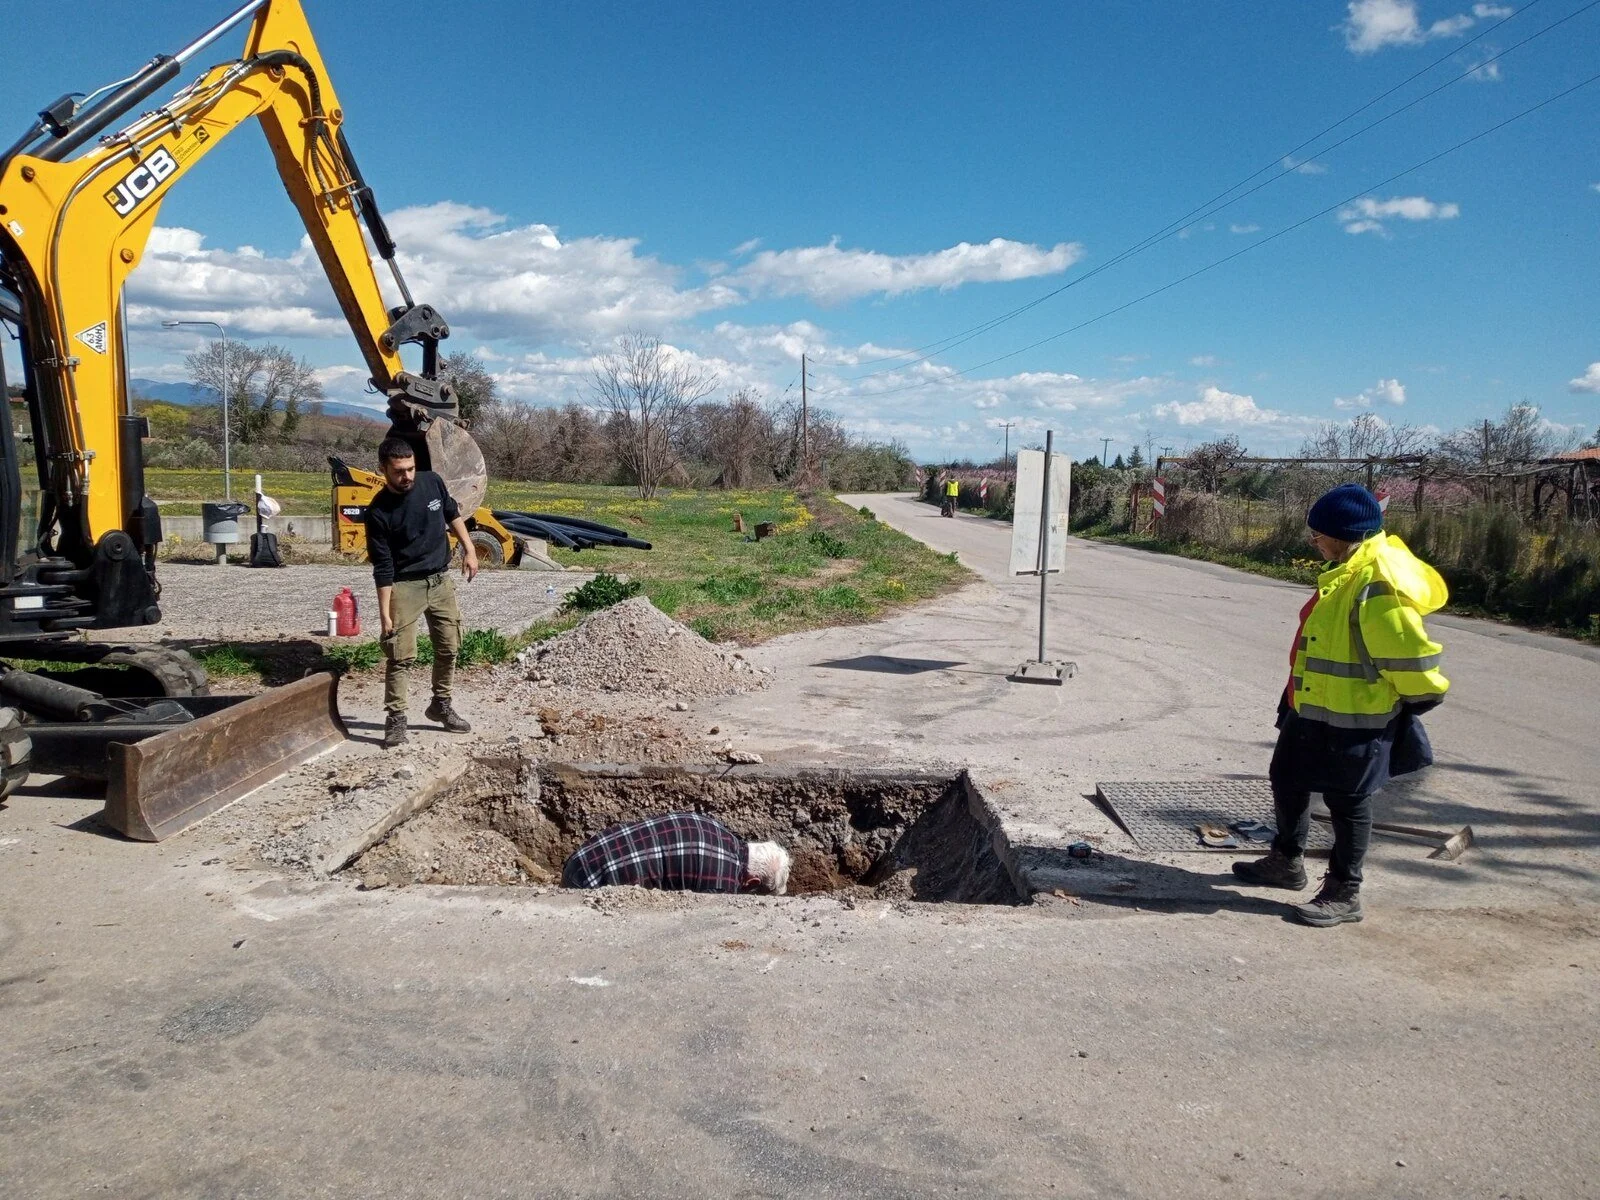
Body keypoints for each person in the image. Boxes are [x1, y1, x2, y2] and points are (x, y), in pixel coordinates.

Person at [1233, 483, 1449, 927]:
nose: (1313, 542)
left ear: (1345, 534)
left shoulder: (1375, 583)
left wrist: (1422, 696)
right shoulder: (1346, 572)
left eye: (1318, 534)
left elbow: (1407, 653)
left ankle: (1344, 892)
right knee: (1287, 778)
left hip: (1355, 717)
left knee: (1348, 802)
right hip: (1310, 705)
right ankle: (1286, 863)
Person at [363, 436, 479, 748]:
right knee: (401, 655)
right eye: (399, 471)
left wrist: (469, 550)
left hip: (440, 580)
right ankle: (396, 718)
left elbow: (453, 515)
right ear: (383, 470)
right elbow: (383, 567)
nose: (407, 476)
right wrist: (385, 614)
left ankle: (440, 705)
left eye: (411, 469)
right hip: (404, 585)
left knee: (449, 646)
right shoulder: (377, 513)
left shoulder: (432, 483)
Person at [561, 811, 792, 894]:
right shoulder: (721, 885)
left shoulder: (716, 828)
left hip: (584, 857)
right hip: (586, 885)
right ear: (751, 882)